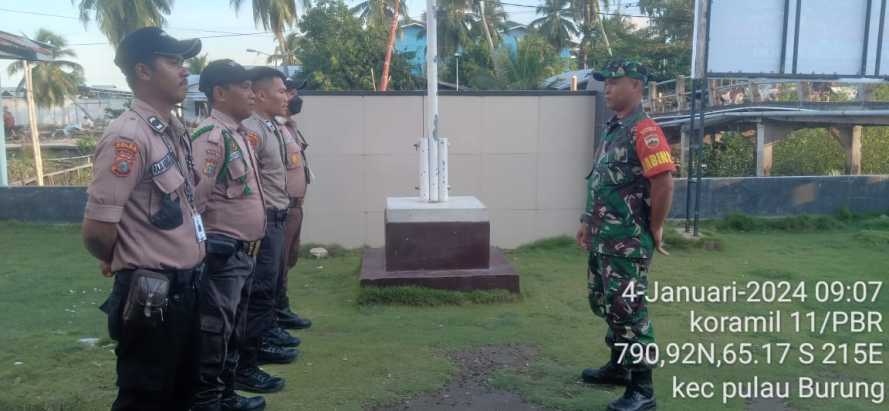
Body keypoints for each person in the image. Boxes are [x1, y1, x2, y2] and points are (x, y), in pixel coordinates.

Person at [82, 27, 205, 410]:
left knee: (182, 393)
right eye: (173, 62)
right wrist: (120, 256)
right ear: (143, 72)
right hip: (152, 293)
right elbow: (98, 231)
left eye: (183, 63)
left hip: (186, 288)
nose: (184, 71)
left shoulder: (172, 129)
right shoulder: (128, 138)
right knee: (146, 397)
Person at [576, 59, 675, 411]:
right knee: (607, 304)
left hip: (628, 241)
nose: (607, 88)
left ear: (635, 85)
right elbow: (600, 181)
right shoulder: (614, 129)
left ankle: (642, 389)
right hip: (605, 238)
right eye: (604, 82)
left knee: (629, 310)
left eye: (614, 82)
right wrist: (588, 220)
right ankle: (619, 367)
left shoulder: (644, 130)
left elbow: (663, 182)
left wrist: (655, 227)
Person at [189, 59, 268, 411]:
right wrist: (205, 249)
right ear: (220, 93)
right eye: (245, 87)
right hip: (224, 255)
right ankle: (208, 400)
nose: (252, 94)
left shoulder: (236, 133)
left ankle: (227, 395)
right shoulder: (210, 137)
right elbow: (193, 203)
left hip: (244, 254)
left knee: (233, 328)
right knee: (216, 330)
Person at [239, 68, 302, 377]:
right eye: (280, 91)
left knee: (272, 282)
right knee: (261, 287)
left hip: (278, 214)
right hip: (264, 218)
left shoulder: (273, 126)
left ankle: (265, 335)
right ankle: (255, 347)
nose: (286, 96)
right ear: (260, 94)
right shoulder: (252, 130)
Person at [276, 78, 313, 331]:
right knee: (275, 265)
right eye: (289, 91)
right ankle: (275, 314)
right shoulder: (269, 129)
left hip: (295, 206)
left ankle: (281, 308)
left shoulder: (290, 126)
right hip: (282, 207)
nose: (294, 96)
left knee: (287, 261)